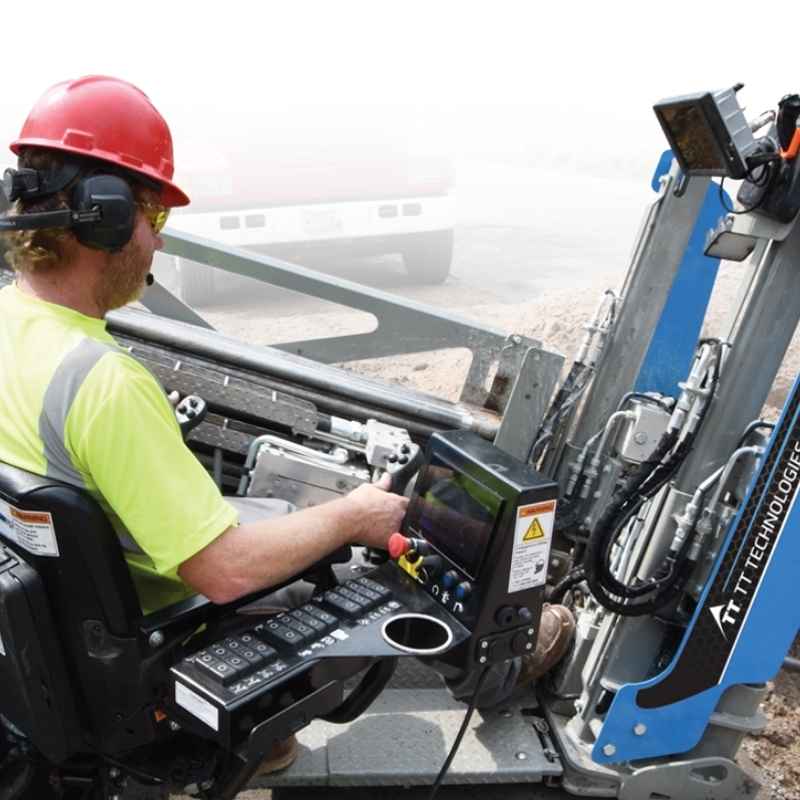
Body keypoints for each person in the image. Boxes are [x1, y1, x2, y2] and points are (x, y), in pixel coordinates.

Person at [0, 76, 574, 775]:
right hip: (151, 643)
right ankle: (495, 666)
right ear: (107, 219)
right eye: (155, 216)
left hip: (56, 637)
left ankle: (271, 738)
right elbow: (224, 571)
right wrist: (356, 517)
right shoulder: (104, 384)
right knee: (359, 569)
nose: (155, 242)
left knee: (286, 513)